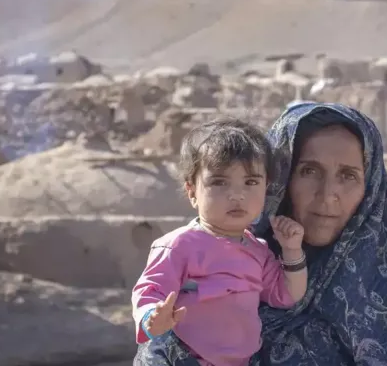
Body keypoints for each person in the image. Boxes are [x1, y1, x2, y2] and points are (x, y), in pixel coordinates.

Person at [135, 103, 387, 365]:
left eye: (348, 176)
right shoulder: (189, 295)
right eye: (309, 171)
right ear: (280, 179)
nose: (328, 195)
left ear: (370, 189)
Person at [132, 118, 309, 366]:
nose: (237, 195)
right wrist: (152, 318)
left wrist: (292, 250)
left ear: (266, 187)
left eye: (250, 182)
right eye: (219, 182)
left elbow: (287, 295)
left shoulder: (259, 252)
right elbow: (150, 291)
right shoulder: (179, 245)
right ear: (192, 191)